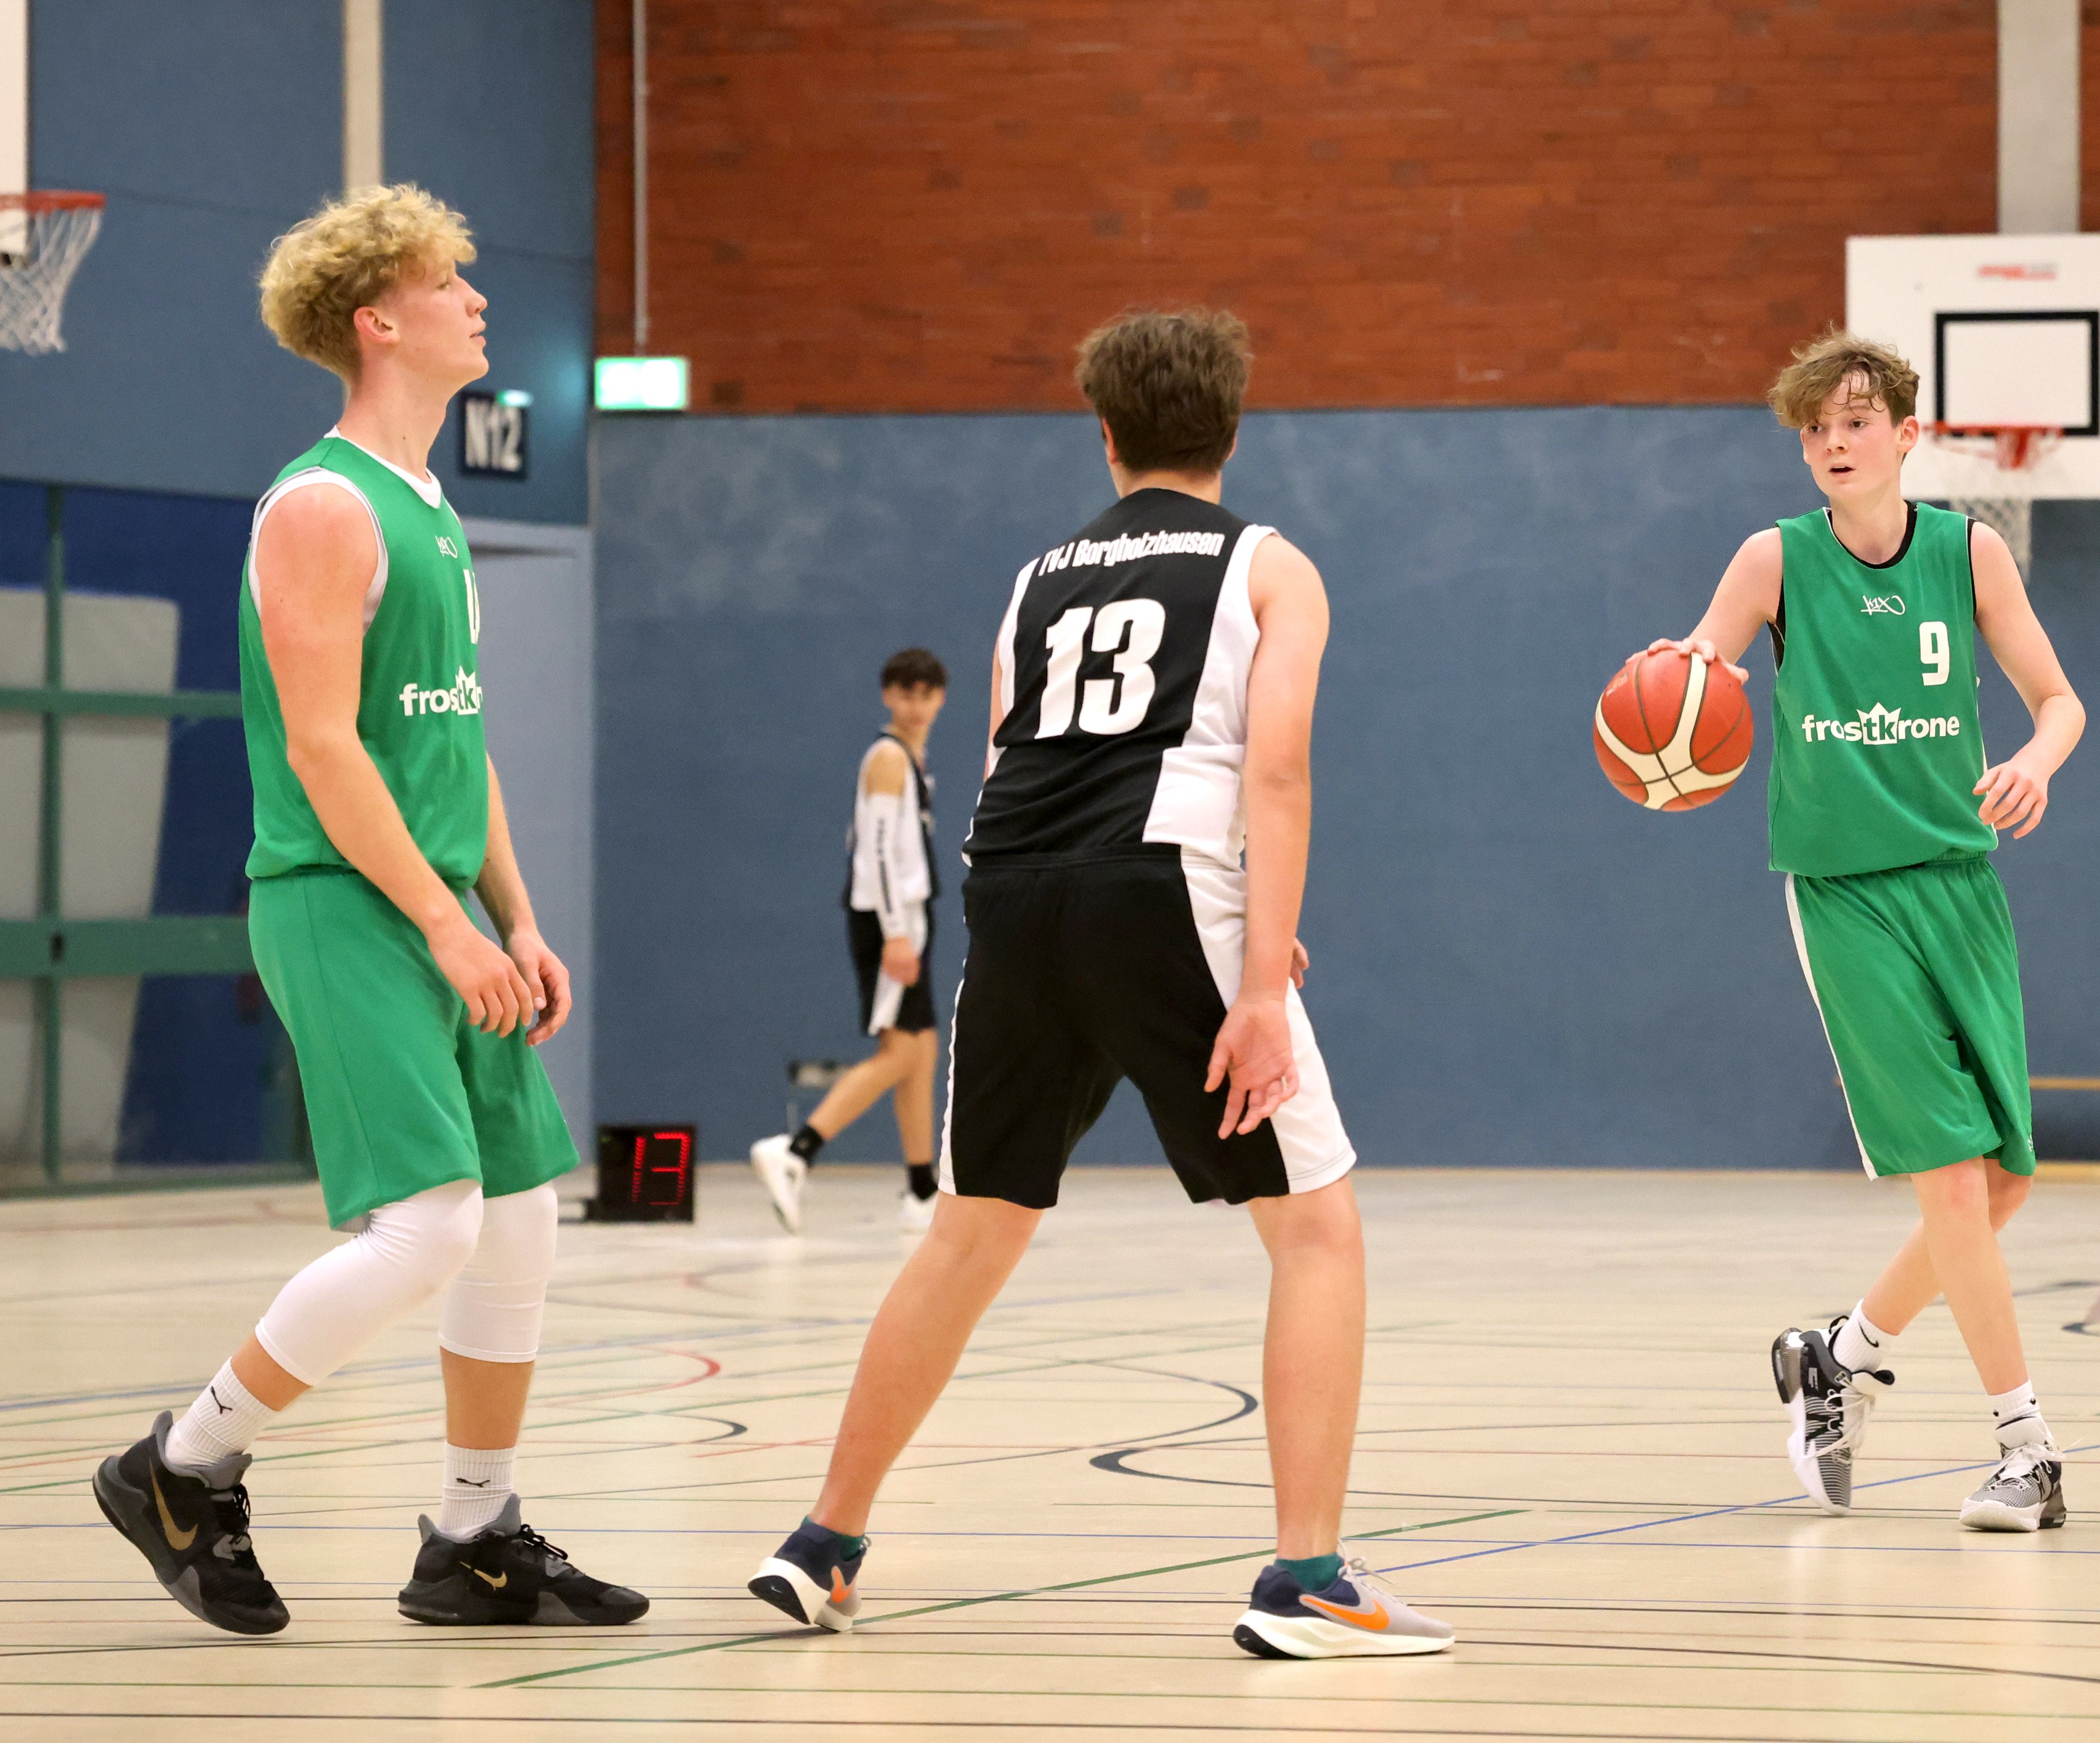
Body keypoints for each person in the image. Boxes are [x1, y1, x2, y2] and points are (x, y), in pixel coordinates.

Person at [745, 308, 1453, 1659]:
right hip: (1165, 883)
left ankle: (822, 1541)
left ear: (1107, 434)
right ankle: (1307, 1578)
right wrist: (1252, 969)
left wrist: (1231, 930)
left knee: (970, 1230)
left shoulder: (1037, 578)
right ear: (1231, 428)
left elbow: (1013, 756)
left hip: (1014, 895)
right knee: (1316, 1232)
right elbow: (1275, 770)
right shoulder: (1268, 564)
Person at [89, 185, 646, 1633]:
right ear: (377, 319)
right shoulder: (322, 506)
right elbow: (326, 750)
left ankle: (471, 1537)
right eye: (448, 280)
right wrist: (444, 926)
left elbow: (457, 740)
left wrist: (512, 916)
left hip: (438, 904)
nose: (476, 298)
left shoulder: (433, 509)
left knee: (518, 1216)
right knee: (431, 1226)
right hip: (341, 904)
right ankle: (178, 1464)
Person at [1652, 328, 2086, 1532]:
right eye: (1815, 428)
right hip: (1844, 893)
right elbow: (1694, 674)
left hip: (1960, 883)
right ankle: (2027, 1448)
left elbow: (2058, 699)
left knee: (1997, 1185)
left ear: (1905, 435)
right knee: (1949, 1180)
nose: (1833, 442)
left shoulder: (1967, 552)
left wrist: (2035, 760)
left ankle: (1837, 1355)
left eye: (1854, 421)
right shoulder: (1773, 560)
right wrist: (1675, 694)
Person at [750, 650, 951, 1235]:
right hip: (889, 922)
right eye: (906, 693)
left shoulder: (912, 759)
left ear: (940, 698)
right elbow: (877, 851)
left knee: (921, 1051)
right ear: (888, 695)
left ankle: (921, 1189)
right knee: (903, 1052)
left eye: (927, 694)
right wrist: (895, 932)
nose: (917, 705)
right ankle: (796, 1151)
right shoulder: (887, 758)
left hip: (908, 919)